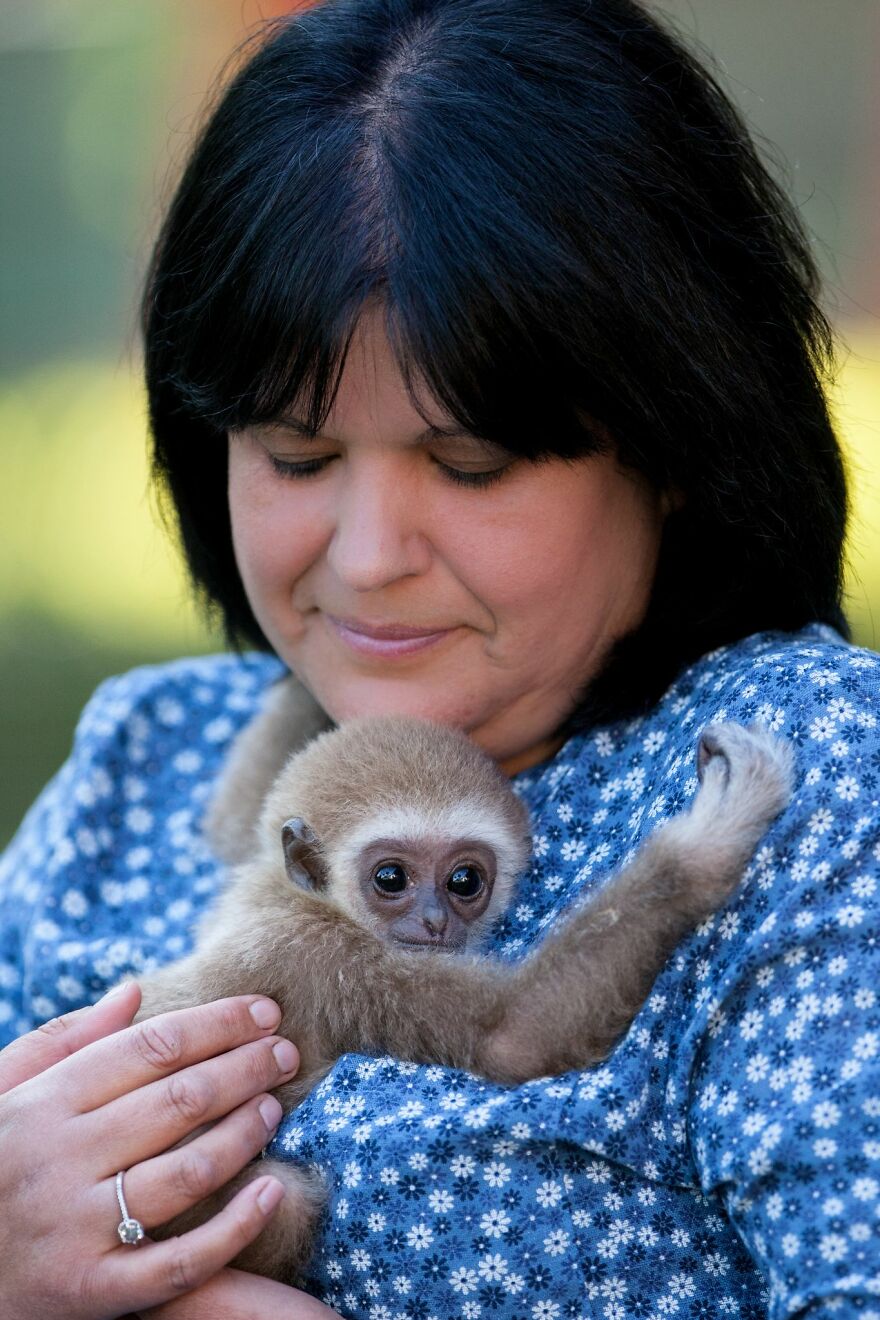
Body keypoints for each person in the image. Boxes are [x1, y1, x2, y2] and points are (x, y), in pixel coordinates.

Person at [1, 0, 877, 1316]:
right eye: (296, 456)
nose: (366, 556)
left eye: (470, 463)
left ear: (673, 442)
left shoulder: (793, 786)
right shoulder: (148, 751)